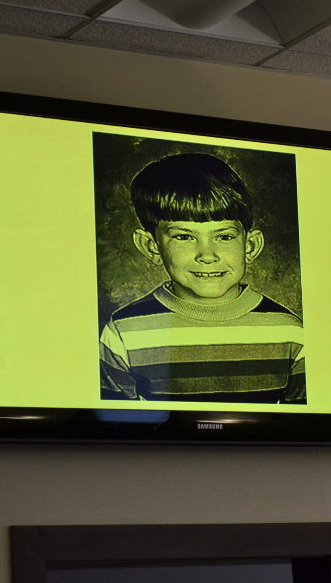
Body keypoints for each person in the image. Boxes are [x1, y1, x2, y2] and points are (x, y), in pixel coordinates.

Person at [99, 152, 305, 404]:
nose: (207, 255)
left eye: (224, 237)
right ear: (151, 246)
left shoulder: (290, 333)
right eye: (184, 237)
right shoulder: (123, 333)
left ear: (250, 246)